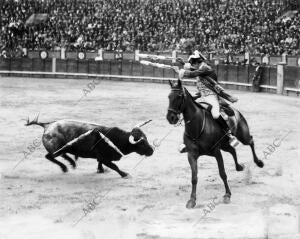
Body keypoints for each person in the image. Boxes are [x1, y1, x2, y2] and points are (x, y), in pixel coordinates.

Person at [175, 50, 239, 152]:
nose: (192, 65)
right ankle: (187, 141)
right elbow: (194, 71)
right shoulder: (200, 67)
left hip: (212, 96)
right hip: (202, 96)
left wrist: (183, 72)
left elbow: (194, 72)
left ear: (198, 61)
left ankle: (229, 134)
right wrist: (183, 64)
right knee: (191, 112)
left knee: (215, 115)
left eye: (193, 63)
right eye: (191, 63)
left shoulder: (205, 67)